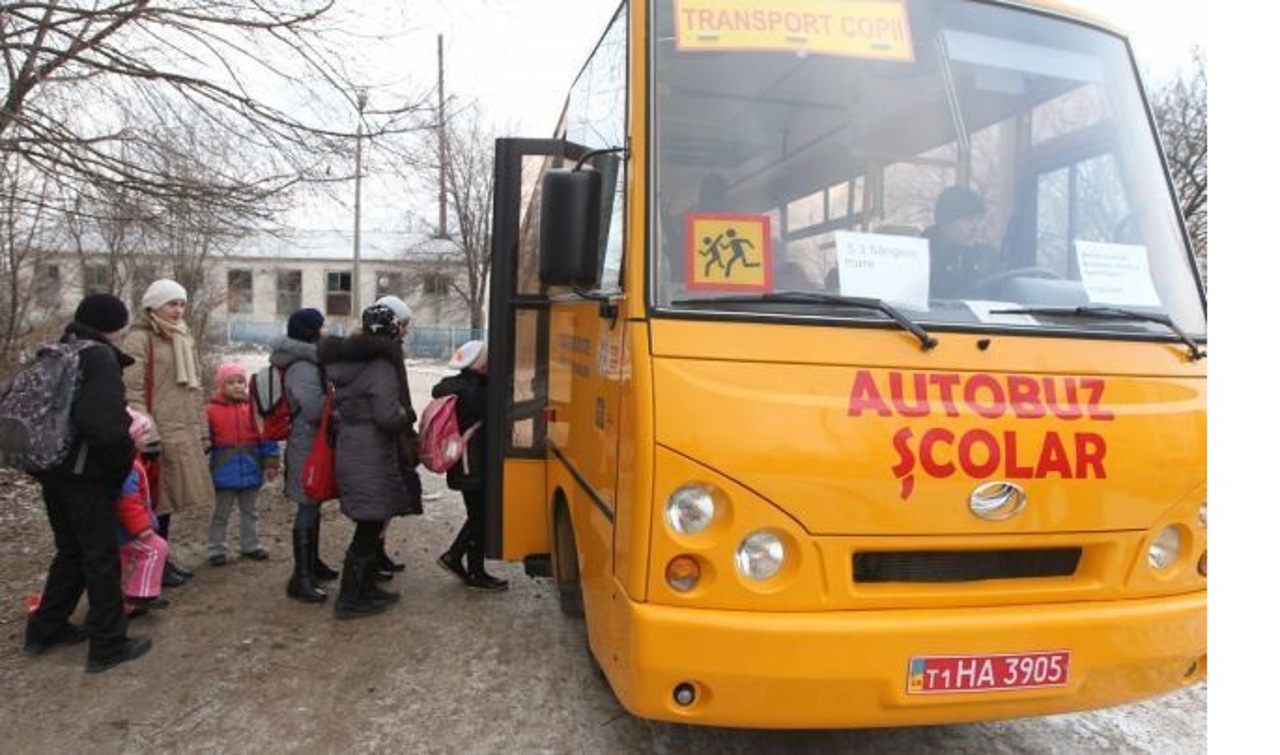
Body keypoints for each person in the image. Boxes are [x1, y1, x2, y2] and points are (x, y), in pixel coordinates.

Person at [23, 293, 152, 673]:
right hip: (85, 475)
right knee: (100, 556)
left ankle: (45, 629)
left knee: (72, 550)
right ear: (115, 325)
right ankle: (109, 645)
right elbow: (102, 424)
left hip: (51, 468)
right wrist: (121, 463)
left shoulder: (57, 351)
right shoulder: (98, 357)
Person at [317, 302, 419, 619]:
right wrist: (407, 415)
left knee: (369, 520)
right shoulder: (381, 365)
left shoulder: (346, 362)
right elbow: (387, 416)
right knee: (371, 522)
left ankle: (365, 588)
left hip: (352, 446)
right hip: (371, 450)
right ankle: (350, 599)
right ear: (391, 332)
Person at [122, 278, 215, 588]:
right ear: (154, 305)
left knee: (167, 501)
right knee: (152, 502)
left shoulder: (183, 337)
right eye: (171, 304)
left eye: (181, 304)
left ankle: (161, 560)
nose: (178, 310)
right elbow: (132, 390)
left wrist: (202, 431)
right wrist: (146, 432)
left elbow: (195, 389)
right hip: (157, 431)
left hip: (182, 429)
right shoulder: (140, 339)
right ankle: (151, 562)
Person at [268, 308, 337, 603]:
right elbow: (313, 409)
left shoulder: (311, 361)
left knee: (314, 501)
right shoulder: (303, 366)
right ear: (311, 332)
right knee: (307, 504)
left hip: (312, 441)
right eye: (322, 326)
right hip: (305, 442)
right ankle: (301, 577)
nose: (326, 330)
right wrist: (336, 404)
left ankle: (313, 563)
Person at [432, 340, 507, 591]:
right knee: (480, 517)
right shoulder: (477, 392)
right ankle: (463, 563)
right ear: (481, 363)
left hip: (464, 462)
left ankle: (470, 566)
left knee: (478, 516)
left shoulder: (457, 386)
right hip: (472, 463)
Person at [205, 362, 280, 567]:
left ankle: (250, 545)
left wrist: (271, 462)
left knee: (251, 512)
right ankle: (216, 548)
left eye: (240, 382)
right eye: (231, 382)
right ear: (221, 386)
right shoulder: (210, 411)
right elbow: (204, 440)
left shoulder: (254, 409)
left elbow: (267, 436)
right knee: (221, 513)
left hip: (251, 468)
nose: (237, 386)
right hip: (223, 471)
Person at [369, 294, 422, 580]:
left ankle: (378, 553)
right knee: (381, 498)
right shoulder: (383, 354)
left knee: (387, 498)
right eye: (403, 323)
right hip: (389, 432)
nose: (406, 328)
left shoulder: (391, 350)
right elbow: (392, 395)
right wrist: (406, 417)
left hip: (397, 428)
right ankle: (371, 559)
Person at [117, 408, 170, 618]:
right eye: (142, 435)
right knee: (156, 548)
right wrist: (141, 528)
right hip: (126, 530)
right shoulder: (128, 467)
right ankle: (142, 594)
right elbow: (128, 501)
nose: (145, 439)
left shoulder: (133, 461)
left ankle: (125, 602)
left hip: (122, 527)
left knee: (125, 563)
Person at [922, 186, 1002, 299]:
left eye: (979, 219)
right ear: (943, 222)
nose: (976, 227)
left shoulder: (988, 256)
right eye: (967, 219)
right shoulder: (916, 255)